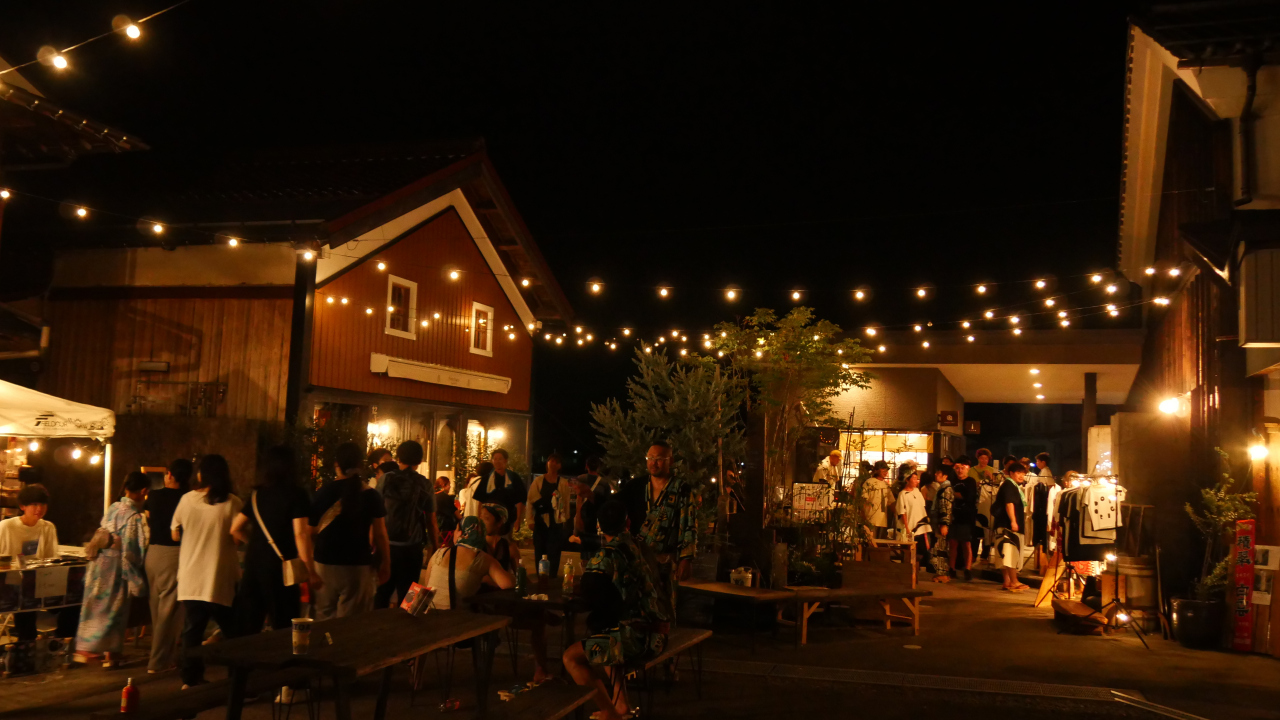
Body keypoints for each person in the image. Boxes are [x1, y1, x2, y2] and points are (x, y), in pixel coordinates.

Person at [563, 500, 669, 720]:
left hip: (636, 640)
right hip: (660, 634)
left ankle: (609, 712)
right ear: (627, 523)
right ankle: (620, 705)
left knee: (571, 657)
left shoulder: (605, 556)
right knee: (605, 633)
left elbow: (590, 595)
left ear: (600, 526)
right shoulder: (642, 547)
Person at [172, 455, 243, 689]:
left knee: (192, 631)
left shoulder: (186, 500)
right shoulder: (232, 502)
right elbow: (237, 538)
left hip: (190, 577)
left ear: (201, 475)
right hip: (218, 577)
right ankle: (236, 682)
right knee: (234, 633)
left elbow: (174, 532)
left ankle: (190, 680)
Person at [75, 472, 149, 668]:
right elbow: (131, 550)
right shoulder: (133, 515)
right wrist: (134, 573)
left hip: (99, 562)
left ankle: (87, 648)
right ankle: (109, 652)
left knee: (95, 606)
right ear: (143, 491)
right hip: (116, 566)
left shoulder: (113, 507)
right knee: (115, 608)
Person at [310, 442, 390, 620]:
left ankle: (327, 640)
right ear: (360, 465)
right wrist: (386, 563)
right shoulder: (371, 495)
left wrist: (310, 568)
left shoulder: (322, 493)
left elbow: (308, 532)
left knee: (323, 617)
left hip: (324, 563)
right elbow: (380, 534)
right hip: (358, 565)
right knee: (352, 621)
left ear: (336, 464)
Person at [619, 441, 697, 618]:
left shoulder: (681, 489)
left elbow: (689, 524)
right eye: (650, 458)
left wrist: (686, 558)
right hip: (639, 559)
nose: (653, 463)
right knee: (636, 610)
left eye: (659, 459)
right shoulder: (636, 486)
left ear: (670, 460)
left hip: (665, 562)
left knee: (663, 610)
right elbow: (615, 505)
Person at [1, 484, 78, 642]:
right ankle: (27, 644)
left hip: (40, 581)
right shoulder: (6, 527)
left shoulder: (47, 527)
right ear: (22, 506)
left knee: (74, 601)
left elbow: (51, 557)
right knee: (25, 604)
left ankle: (60, 642)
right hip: (13, 583)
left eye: (43, 504)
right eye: (34, 504)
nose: (39, 508)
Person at [376, 440, 437, 608]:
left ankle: (377, 622)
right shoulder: (424, 484)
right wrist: (434, 547)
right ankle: (407, 621)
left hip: (386, 546)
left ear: (398, 458)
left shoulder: (386, 479)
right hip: (412, 549)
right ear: (419, 460)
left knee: (381, 593)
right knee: (410, 595)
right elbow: (431, 521)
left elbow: (375, 513)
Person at [145, 459, 191, 673]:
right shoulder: (188, 498)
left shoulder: (154, 496)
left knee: (157, 610)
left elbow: (148, 519)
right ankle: (157, 662)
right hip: (174, 554)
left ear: (170, 475)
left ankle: (167, 656)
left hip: (153, 554)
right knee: (168, 611)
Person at [424, 516, 514, 610]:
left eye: (456, 530)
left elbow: (427, 586)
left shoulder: (439, 553)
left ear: (461, 533)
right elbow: (508, 584)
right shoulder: (482, 558)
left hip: (430, 614)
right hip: (459, 616)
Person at [526, 452, 571, 576]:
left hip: (556, 521)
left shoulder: (563, 483)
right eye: (551, 461)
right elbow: (530, 501)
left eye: (557, 462)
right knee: (539, 551)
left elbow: (566, 502)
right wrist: (530, 520)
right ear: (547, 463)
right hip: (540, 521)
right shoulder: (538, 481)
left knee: (554, 551)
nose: (553, 464)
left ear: (560, 466)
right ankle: (541, 577)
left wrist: (565, 520)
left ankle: (552, 577)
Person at [993, 462, 1030, 592]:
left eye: (1023, 473)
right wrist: (1013, 521)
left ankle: (1007, 581)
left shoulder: (1009, 485)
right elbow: (1009, 504)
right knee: (1010, 553)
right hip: (1007, 525)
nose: (1021, 476)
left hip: (1002, 524)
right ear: (1011, 473)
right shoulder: (1009, 485)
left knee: (1004, 554)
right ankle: (1014, 581)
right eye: (1018, 473)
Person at [473, 449, 525, 530]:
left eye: (500, 459)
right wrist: (479, 519)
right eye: (495, 459)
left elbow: (520, 501)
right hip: (489, 521)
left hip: (508, 520)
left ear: (506, 460)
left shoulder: (513, 477)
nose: (497, 461)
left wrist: (518, 519)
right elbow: (480, 501)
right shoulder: (486, 479)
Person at [928, 465, 956, 583]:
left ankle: (943, 573)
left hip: (941, 523)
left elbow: (946, 507)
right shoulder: (943, 488)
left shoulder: (946, 489)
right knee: (939, 548)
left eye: (939, 473)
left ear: (945, 476)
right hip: (938, 522)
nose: (936, 475)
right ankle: (941, 573)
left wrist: (945, 523)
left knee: (941, 548)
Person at [894, 468, 930, 559]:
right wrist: (907, 529)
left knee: (922, 551)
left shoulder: (917, 491)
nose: (916, 481)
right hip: (910, 528)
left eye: (916, 479)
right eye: (913, 478)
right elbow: (902, 512)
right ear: (907, 480)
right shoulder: (903, 494)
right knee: (909, 552)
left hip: (921, 526)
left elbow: (922, 507)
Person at [568, 473, 603, 557]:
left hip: (592, 537)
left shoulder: (594, 499)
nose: (574, 487)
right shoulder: (583, 499)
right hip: (586, 536)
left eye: (576, 484)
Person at [860, 460, 895, 539]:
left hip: (883, 520)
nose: (885, 472)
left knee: (880, 542)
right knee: (870, 541)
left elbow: (891, 502)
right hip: (871, 518)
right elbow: (863, 501)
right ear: (876, 470)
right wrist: (864, 517)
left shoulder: (886, 485)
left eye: (886, 470)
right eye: (883, 470)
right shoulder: (869, 482)